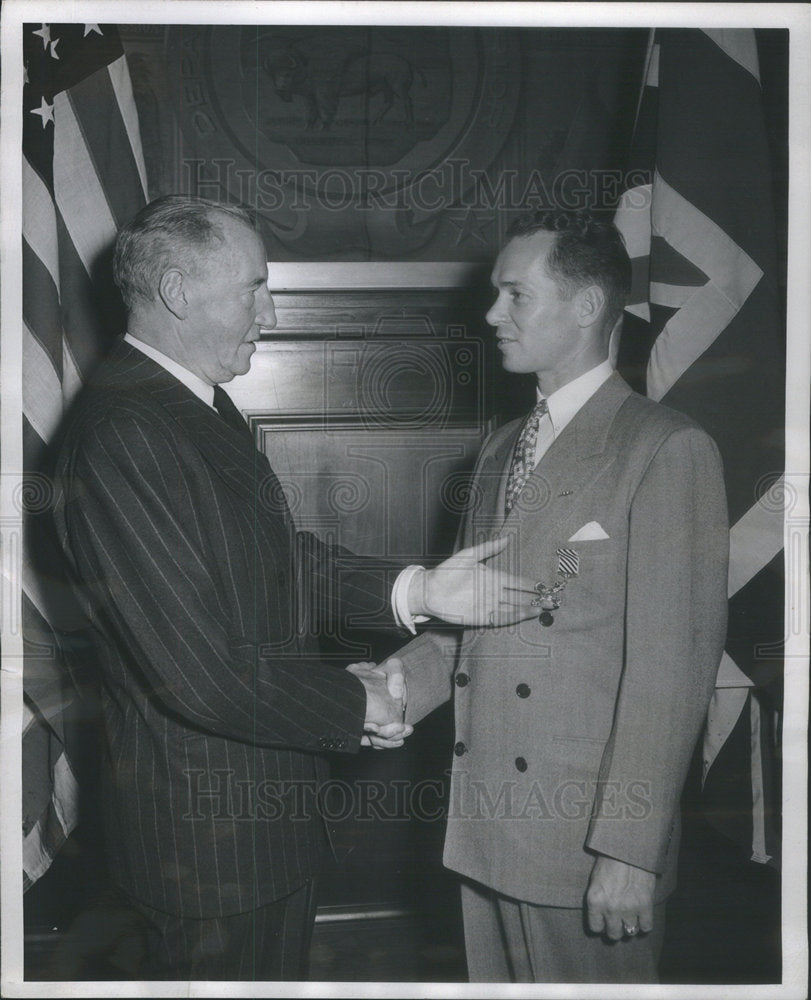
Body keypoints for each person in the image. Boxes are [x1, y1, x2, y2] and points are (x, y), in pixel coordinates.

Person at [51, 195, 536, 980]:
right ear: (177, 293)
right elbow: (197, 674)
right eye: (252, 287)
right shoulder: (128, 432)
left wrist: (419, 591)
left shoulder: (185, 409)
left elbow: (276, 567)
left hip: (248, 834)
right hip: (210, 851)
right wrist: (358, 704)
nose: (269, 311)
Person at [381, 209, 729, 983]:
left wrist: (628, 852)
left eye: (513, 295)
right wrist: (392, 687)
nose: (490, 314)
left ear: (583, 307)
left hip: (583, 842)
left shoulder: (664, 448)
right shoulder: (502, 446)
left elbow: (671, 674)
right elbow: (480, 620)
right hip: (485, 827)